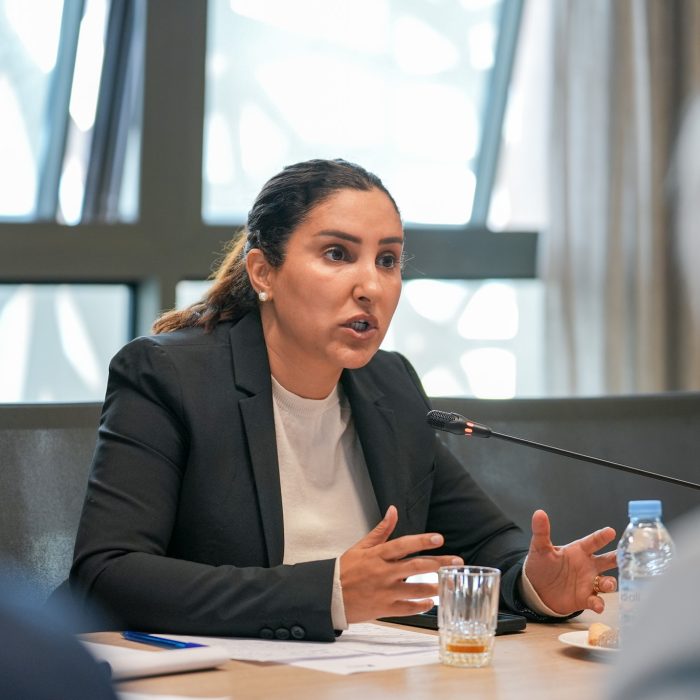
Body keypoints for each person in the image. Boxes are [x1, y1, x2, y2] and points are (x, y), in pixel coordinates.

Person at [69, 158, 617, 642]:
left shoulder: (389, 385)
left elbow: (484, 539)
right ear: (263, 272)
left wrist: (534, 582)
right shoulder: (169, 375)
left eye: (388, 260)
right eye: (337, 254)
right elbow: (108, 574)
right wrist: (328, 592)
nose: (371, 286)